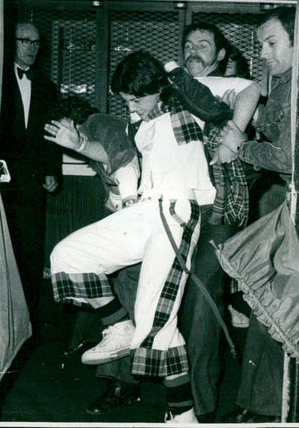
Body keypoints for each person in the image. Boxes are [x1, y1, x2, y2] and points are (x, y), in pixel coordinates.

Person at [48, 50, 224, 423]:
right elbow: (118, 157)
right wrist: (82, 148)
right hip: (143, 210)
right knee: (67, 255)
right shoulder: (140, 125)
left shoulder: (187, 110)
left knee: (156, 325)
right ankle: (116, 324)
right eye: (127, 101)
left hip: (176, 215)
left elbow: (222, 105)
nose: (133, 107)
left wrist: (171, 71)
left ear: (159, 89)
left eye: (137, 99)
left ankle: (182, 417)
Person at [216, 6, 298, 423]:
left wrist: (240, 142)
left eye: (272, 43)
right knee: (268, 302)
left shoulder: (298, 83)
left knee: (272, 305)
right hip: (289, 203)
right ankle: (259, 403)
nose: (263, 52)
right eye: (261, 44)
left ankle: (265, 406)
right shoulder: (285, 82)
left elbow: (287, 156)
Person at [177, 24, 262, 423]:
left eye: (204, 45)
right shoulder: (173, 85)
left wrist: (231, 140)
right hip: (175, 208)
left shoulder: (228, 84)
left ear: (221, 55)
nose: (195, 51)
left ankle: (201, 405)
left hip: (217, 210)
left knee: (200, 299)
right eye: (189, 46)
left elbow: (251, 92)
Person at [44, 96, 144, 414]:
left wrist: (126, 211)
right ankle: (118, 370)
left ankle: (121, 383)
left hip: (146, 220)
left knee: (123, 292)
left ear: (70, 122)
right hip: (137, 218)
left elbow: (127, 161)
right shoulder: (92, 133)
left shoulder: (99, 122)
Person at [0, 22, 61, 331]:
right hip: (1, 182)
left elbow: (51, 134)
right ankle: (3, 316)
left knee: (32, 251)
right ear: (12, 44)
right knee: (3, 249)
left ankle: (29, 321)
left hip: (34, 182)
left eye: (36, 43)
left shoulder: (48, 87)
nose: (32, 48)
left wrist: (52, 170)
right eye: (25, 41)